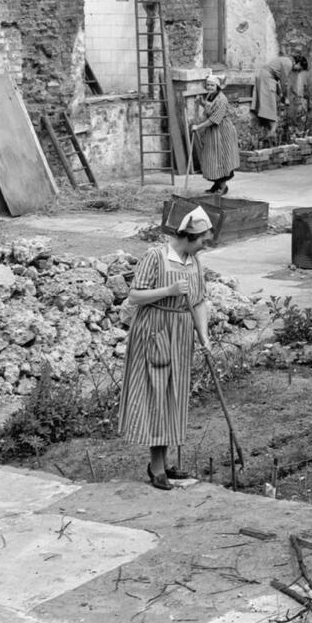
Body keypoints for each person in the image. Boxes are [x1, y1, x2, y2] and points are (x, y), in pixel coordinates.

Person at [118, 206, 213, 491]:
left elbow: (199, 302)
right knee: (156, 396)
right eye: (202, 241)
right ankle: (156, 468)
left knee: (173, 398)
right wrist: (168, 291)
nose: (204, 246)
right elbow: (134, 296)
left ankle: (167, 463)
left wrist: (204, 337)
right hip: (155, 333)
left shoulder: (194, 262)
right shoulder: (155, 257)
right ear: (188, 236)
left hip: (182, 336)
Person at [190, 74, 239, 195]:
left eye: (212, 85)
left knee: (221, 158)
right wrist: (201, 103)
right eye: (208, 85)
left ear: (217, 86)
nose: (210, 87)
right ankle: (216, 184)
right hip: (213, 133)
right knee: (212, 159)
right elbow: (209, 110)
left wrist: (198, 127)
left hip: (222, 132)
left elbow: (214, 119)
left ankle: (222, 186)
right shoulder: (210, 96)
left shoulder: (221, 99)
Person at [250, 54, 308, 137]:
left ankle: (270, 132)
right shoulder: (288, 63)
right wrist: (286, 97)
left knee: (270, 105)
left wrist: (281, 94)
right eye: (300, 69)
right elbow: (284, 83)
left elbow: (277, 79)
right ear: (298, 63)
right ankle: (272, 133)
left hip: (266, 76)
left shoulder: (285, 60)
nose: (298, 71)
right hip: (266, 78)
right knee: (270, 106)